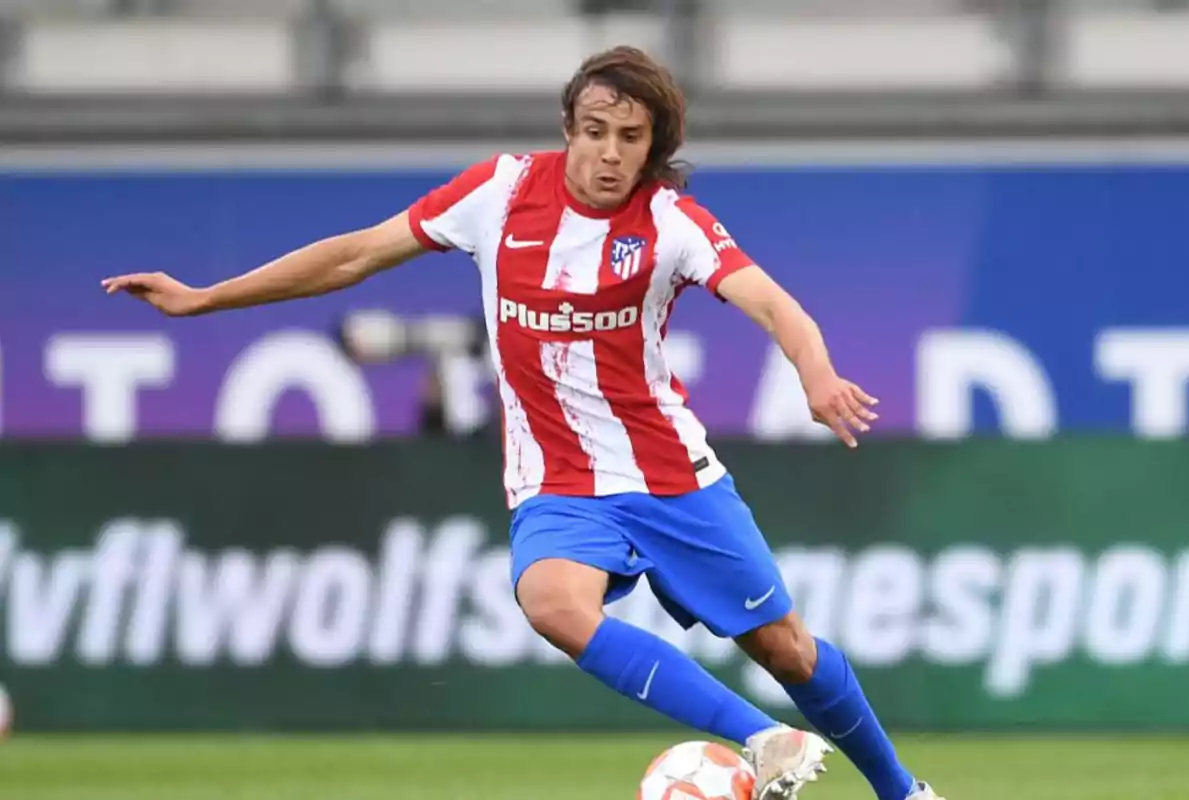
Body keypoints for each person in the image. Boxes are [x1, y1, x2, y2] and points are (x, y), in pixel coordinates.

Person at [101, 46, 943, 800]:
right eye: (594, 130)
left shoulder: (668, 223)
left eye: (630, 138)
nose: (608, 154)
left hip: (670, 475)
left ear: (654, 148)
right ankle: (762, 738)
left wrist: (816, 370)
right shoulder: (499, 193)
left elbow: (770, 301)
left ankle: (901, 793)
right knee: (550, 602)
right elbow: (355, 254)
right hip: (557, 479)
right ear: (568, 128)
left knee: (788, 651)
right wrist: (207, 297)